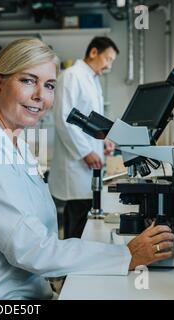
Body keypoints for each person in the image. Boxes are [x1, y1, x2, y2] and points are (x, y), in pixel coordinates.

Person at [0, 39, 174, 300]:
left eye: (49, 86)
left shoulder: (12, 140)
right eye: (28, 81)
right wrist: (127, 255)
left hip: (21, 290)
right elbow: (32, 249)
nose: (40, 96)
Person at [48, 36, 119, 239]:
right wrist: (86, 151)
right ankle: (69, 269)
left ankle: (77, 265)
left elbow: (91, 120)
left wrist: (103, 138)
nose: (109, 66)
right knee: (77, 220)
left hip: (88, 164)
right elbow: (64, 118)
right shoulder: (72, 76)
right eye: (108, 59)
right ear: (94, 52)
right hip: (75, 164)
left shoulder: (92, 80)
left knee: (84, 218)